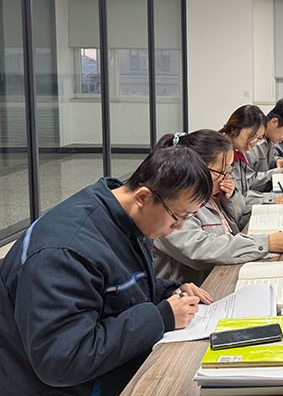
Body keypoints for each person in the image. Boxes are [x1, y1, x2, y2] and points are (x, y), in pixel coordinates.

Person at [0, 146, 213, 395]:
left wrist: (171, 292)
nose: (179, 227)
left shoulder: (125, 217)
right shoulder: (64, 254)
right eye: (178, 217)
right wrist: (160, 318)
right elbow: (63, 360)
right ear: (143, 197)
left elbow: (122, 289)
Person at [153, 130, 283, 285]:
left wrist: (231, 197)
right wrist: (265, 243)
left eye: (229, 170)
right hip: (200, 287)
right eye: (222, 171)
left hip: (223, 273)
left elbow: (237, 221)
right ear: (197, 169)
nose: (227, 176)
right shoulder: (175, 205)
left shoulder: (213, 196)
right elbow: (201, 249)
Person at [220, 104, 283, 206]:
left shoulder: (238, 152)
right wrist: (271, 198)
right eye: (252, 136)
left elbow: (246, 187)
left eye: (258, 138)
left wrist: (271, 198)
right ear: (234, 128)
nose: (254, 143)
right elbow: (237, 200)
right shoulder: (220, 157)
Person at [245, 98, 283, 192]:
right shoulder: (251, 144)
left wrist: (277, 161)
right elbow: (246, 183)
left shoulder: (269, 139)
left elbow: (265, 162)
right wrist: (278, 172)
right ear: (274, 122)